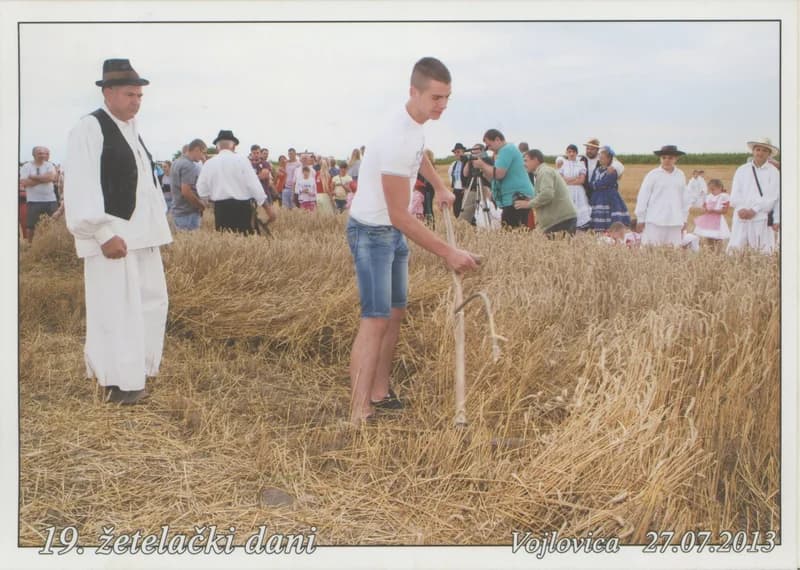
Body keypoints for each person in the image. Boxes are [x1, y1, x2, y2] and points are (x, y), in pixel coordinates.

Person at [346, 56, 479, 425]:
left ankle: (380, 392)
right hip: (372, 233)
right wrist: (448, 252)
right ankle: (359, 412)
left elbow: (419, 157)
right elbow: (399, 215)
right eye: (436, 98)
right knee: (374, 319)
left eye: (447, 97)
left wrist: (439, 186)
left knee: (395, 312)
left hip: (391, 233)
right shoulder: (394, 139)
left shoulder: (415, 125)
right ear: (414, 92)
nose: (443, 106)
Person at [64, 58, 172, 405]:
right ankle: (119, 382)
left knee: (150, 304)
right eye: (130, 94)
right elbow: (80, 185)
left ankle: (138, 371)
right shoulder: (89, 128)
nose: (136, 101)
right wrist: (101, 233)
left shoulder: (131, 130)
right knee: (117, 309)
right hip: (115, 237)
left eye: (139, 95)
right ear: (108, 92)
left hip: (143, 237)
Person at [196, 129, 272, 234]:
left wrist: (210, 202)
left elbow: (201, 190)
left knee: (227, 246)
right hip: (243, 209)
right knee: (245, 244)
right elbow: (255, 186)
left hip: (221, 210)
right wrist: (269, 210)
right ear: (234, 146)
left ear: (217, 147)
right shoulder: (242, 160)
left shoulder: (209, 164)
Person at [727, 137, 780, 255]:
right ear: (753, 151)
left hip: (761, 217)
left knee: (763, 252)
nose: (760, 153)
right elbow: (735, 192)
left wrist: (754, 210)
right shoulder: (742, 170)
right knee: (735, 250)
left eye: (764, 151)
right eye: (758, 149)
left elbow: (772, 196)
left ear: (769, 154)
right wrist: (741, 208)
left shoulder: (774, 172)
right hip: (741, 217)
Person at [472, 129, 533, 228]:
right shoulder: (505, 151)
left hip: (516, 199)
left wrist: (482, 164)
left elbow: (499, 174)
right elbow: (495, 178)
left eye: (490, 145)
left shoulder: (506, 150)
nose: (489, 149)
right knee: (513, 230)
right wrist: (484, 170)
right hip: (513, 198)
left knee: (512, 231)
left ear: (497, 139)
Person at [634, 145, 691, 247]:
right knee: (650, 252)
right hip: (655, 221)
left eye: (670, 158)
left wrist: (684, 219)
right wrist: (641, 218)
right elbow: (643, 197)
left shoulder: (680, 175)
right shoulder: (653, 175)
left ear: (676, 158)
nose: (666, 160)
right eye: (664, 157)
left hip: (675, 221)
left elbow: (685, 199)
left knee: (673, 253)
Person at [513, 149, 578, 236]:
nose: (524, 164)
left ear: (535, 160)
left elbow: (547, 194)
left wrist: (528, 204)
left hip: (560, 220)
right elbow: (547, 194)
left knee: (558, 249)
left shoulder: (545, 172)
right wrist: (532, 199)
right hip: (561, 219)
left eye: (526, 161)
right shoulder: (543, 172)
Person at [19, 146, 59, 242]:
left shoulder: (49, 165)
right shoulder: (26, 166)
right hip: (33, 201)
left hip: (50, 200)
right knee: (31, 226)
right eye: (40, 153)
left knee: (52, 223)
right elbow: (24, 182)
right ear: (34, 154)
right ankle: (30, 245)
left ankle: (51, 243)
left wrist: (33, 177)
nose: (43, 155)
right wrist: (44, 179)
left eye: (44, 153)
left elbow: (52, 178)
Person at [588, 146, 630, 231]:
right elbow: (591, 183)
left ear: (609, 159)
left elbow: (607, 182)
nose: (600, 160)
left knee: (610, 217)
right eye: (600, 158)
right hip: (597, 198)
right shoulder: (596, 170)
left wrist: (596, 185)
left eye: (603, 158)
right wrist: (596, 185)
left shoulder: (612, 170)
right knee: (598, 218)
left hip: (609, 196)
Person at [170, 138, 207, 231]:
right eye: (203, 152)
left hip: (178, 210)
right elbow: (186, 191)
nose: (203, 156)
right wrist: (200, 206)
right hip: (188, 212)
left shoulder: (176, 162)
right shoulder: (189, 165)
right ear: (197, 149)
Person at [458, 143, 493, 226]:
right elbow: (465, 174)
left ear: (482, 151)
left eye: (476, 150)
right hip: (471, 190)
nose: (473, 152)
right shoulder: (471, 161)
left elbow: (490, 175)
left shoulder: (487, 160)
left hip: (484, 190)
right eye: (472, 151)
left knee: (485, 212)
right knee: (465, 214)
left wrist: (481, 164)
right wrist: (468, 161)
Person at [559, 144, 591, 230]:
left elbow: (581, 180)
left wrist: (568, 180)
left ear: (576, 153)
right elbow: (560, 179)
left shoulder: (581, 164)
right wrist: (574, 178)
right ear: (567, 153)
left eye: (573, 152)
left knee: (579, 211)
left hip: (578, 191)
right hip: (567, 191)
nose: (571, 154)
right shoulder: (563, 164)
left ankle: (579, 229)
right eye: (569, 152)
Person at [692, 178, 730, 246]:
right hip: (708, 220)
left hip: (718, 221)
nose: (711, 191)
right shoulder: (709, 196)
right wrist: (704, 209)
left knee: (718, 237)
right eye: (710, 189)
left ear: (720, 188)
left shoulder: (723, 197)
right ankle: (710, 252)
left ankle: (717, 252)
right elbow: (704, 206)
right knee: (709, 236)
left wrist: (713, 211)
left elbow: (725, 211)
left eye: (713, 189)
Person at [447, 143, 468, 217]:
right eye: (455, 152)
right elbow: (450, 175)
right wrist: (453, 186)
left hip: (465, 190)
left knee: (466, 210)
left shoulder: (468, 163)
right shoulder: (453, 164)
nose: (456, 154)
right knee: (456, 210)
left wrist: (467, 187)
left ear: (463, 152)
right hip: (456, 190)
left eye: (458, 152)